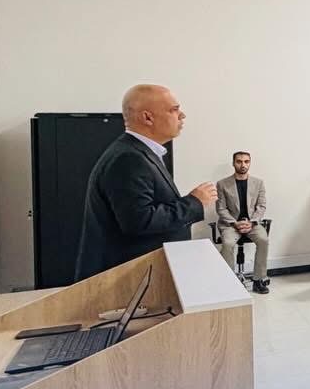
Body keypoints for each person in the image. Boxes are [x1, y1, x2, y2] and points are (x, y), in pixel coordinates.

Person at [76, 84, 216, 282]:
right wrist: (194, 202)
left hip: (141, 274)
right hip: (127, 279)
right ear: (148, 118)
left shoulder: (138, 153)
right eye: (174, 109)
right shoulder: (129, 159)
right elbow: (139, 221)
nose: (182, 115)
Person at [215, 150, 269, 293]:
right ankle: (229, 282)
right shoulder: (222, 184)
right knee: (227, 243)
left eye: (246, 161)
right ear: (233, 163)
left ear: (250, 163)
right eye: (239, 161)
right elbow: (221, 208)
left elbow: (261, 206)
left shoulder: (258, 183)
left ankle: (259, 280)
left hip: (252, 223)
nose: (243, 165)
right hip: (231, 224)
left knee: (263, 240)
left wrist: (252, 222)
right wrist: (235, 223)